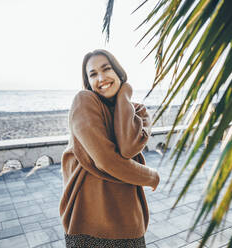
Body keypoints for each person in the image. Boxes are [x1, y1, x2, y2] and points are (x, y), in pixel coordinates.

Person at [59, 49, 160, 248]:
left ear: (119, 72)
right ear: (88, 82)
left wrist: (124, 94)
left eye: (107, 69)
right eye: (93, 74)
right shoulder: (85, 101)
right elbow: (107, 160)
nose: (101, 78)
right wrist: (151, 176)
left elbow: (128, 148)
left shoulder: (138, 111)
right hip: (90, 218)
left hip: (128, 218)